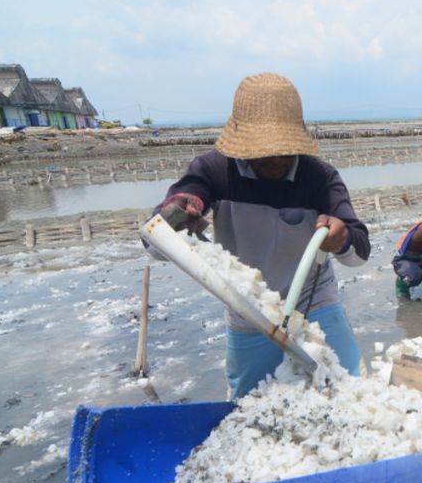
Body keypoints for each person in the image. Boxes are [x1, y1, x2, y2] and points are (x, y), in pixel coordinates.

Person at [152, 73, 370, 397]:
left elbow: (360, 249)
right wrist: (181, 210)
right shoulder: (214, 171)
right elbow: (155, 240)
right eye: (265, 152)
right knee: (248, 405)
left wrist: (340, 240)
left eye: (284, 150)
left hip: (314, 302)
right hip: (249, 310)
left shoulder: (319, 178)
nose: (276, 160)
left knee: (349, 390)